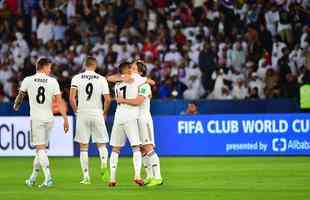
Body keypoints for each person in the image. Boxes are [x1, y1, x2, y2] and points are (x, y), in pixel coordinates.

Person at [13, 57, 69, 188]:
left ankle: (48, 178)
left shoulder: (28, 80)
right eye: (49, 67)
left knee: (40, 149)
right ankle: (32, 178)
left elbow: (20, 96)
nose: (50, 70)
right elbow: (59, 102)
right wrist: (65, 118)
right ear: (43, 67)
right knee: (41, 150)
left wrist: (16, 106)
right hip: (49, 119)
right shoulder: (53, 81)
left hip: (37, 118)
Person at [116, 61, 163, 186]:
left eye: (134, 68)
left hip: (144, 119)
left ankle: (158, 177)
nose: (131, 70)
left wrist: (122, 100)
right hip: (136, 119)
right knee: (142, 149)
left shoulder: (144, 85)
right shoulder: (137, 84)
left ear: (141, 72)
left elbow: (138, 101)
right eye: (131, 68)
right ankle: (149, 176)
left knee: (148, 147)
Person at [69, 56, 111, 184]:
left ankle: (86, 177)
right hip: (97, 112)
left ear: (84, 65)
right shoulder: (101, 79)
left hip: (83, 113)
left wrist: (76, 111)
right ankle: (104, 165)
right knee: (102, 144)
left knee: (83, 147)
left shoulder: (76, 78)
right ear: (95, 65)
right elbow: (108, 99)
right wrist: (104, 113)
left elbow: (72, 98)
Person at [108, 62, 146, 187]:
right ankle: (137, 176)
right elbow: (150, 81)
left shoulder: (117, 84)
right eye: (131, 68)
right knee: (136, 147)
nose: (133, 69)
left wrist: (122, 76)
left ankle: (112, 178)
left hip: (118, 116)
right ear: (128, 70)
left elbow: (110, 78)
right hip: (130, 116)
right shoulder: (135, 79)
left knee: (115, 149)